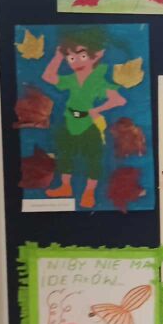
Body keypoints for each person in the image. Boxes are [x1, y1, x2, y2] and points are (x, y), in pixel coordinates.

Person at [42, 28, 126, 208]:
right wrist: (58, 56)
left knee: (93, 159)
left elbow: (118, 100)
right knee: (65, 155)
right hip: (69, 120)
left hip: (88, 123)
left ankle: (89, 193)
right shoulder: (71, 79)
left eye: (82, 56)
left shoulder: (98, 80)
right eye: (71, 58)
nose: (76, 62)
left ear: (96, 55)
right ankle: (66, 187)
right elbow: (48, 76)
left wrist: (97, 110)